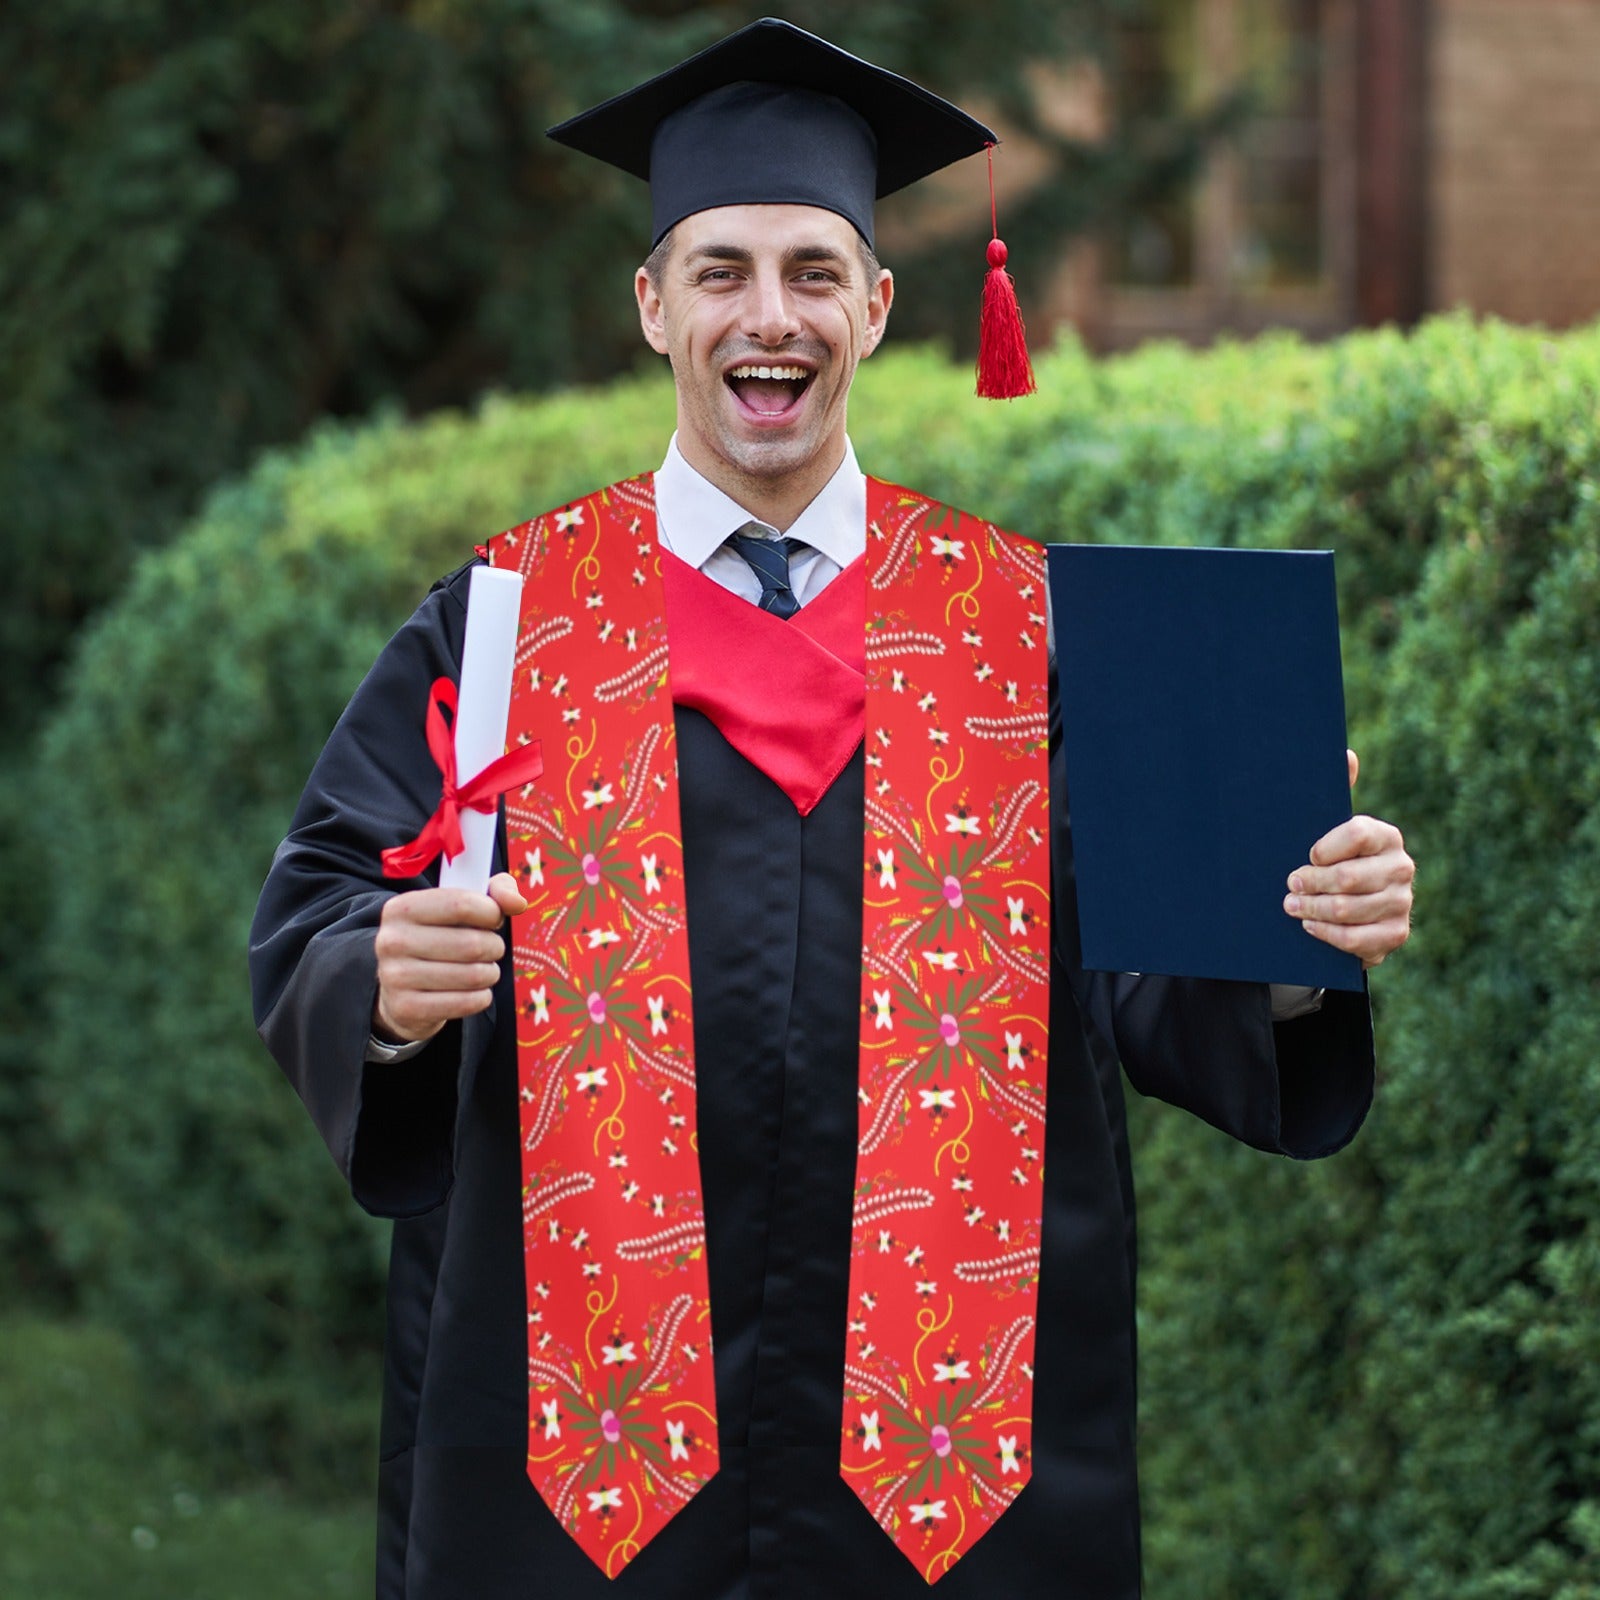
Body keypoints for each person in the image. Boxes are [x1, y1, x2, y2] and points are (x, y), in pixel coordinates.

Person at [249, 19, 1414, 1600]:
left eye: (812, 270)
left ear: (877, 305)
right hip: (579, 1454)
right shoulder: (513, 621)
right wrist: (379, 982)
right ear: (654, 305)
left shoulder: (1035, 629)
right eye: (721, 270)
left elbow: (1152, 978)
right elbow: (324, 901)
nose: (768, 316)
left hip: (956, 1462)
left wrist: (1291, 938)